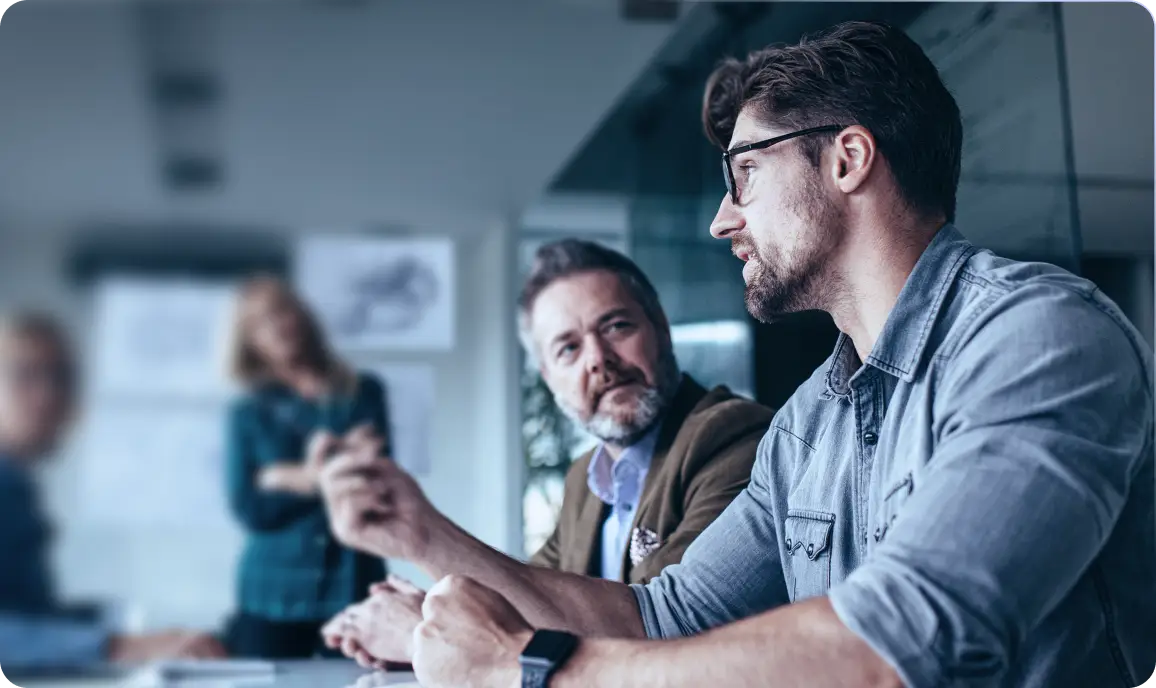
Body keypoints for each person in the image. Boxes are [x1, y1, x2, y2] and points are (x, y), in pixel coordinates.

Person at [319, 20, 1155, 688]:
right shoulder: (807, 427)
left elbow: (896, 651)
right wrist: (418, 532)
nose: (723, 219)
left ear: (848, 159)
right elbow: (662, 617)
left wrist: (527, 669)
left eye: (743, 175)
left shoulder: (1037, 337)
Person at [320, 240, 774, 668]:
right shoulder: (586, 479)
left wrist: (422, 610)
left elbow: (657, 632)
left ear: (660, 328)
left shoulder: (734, 437)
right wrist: (433, 615)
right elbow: (530, 600)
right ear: (548, 376)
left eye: (616, 326)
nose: (597, 359)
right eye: (568, 348)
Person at [0, 312, 227, 671]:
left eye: (61, 378)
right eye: (24, 375)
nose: (47, 396)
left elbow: (24, 610)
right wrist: (118, 645)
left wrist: (131, 625)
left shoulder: (16, 487)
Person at [222, 275, 391, 659]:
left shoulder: (363, 391)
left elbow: (375, 483)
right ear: (249, 341)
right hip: (272, 593)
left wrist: (281, 477)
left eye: (283, 311)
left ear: (302, 315)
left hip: (353, 582)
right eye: (261, 322)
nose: (279, 326)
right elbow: (249, 508)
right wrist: (318, 478)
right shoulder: (247, 413)